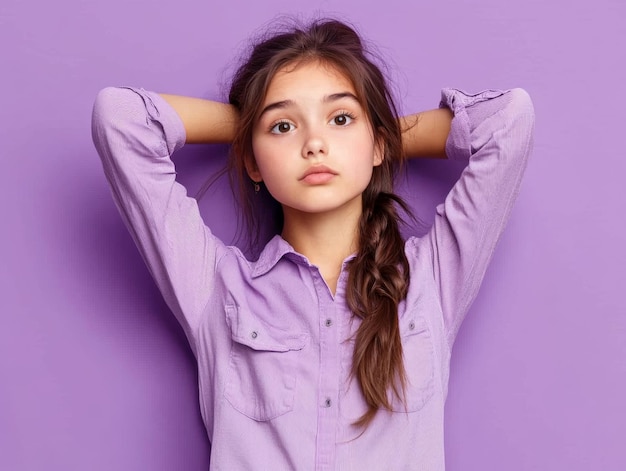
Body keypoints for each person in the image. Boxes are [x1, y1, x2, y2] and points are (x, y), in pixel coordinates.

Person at [91, 18, 534, 471]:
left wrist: (376, 133)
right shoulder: (217, 289)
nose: (315, 143)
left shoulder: (430, 280)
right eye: (284, 127)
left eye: (341, 119)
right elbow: (120, 117)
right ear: (253, 162)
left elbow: (508, 120)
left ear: (378, 143)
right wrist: (251, 127)